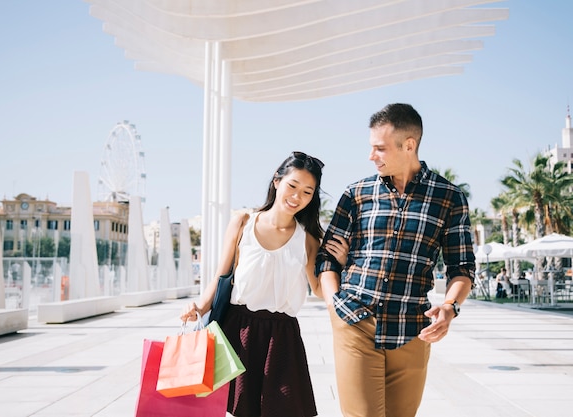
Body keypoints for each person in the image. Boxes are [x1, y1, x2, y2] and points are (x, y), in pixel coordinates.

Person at [315, 103, 476, 417]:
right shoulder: (356, 194)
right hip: (355, 320)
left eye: (379, 148)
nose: (371, 155)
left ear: (409, 145)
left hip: (412, 328)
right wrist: (334, 302)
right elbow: (326, 259)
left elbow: (462, 268)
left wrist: (449, 307)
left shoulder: (449, 198)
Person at [181, 151, 349, 417]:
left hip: (282, 335)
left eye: (307, 192)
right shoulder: (243, 222)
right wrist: (199, 307)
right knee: (239, 409)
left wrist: (339, 263)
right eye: (292, 186)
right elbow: (221, 275)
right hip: (238, 329)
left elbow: (318, 289)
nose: (297, 196)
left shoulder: (308, 239)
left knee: (282, 408)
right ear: (277, 181)